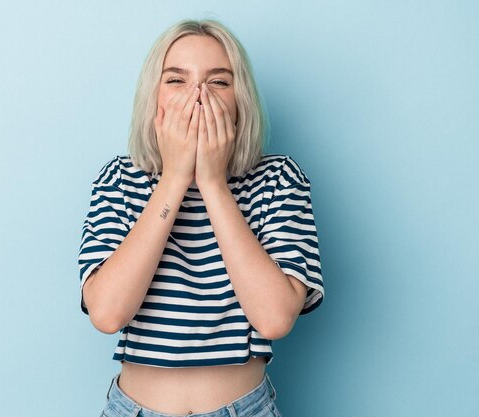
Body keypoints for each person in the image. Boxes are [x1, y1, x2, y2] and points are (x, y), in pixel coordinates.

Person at [78, 18, 324, 417]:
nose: (198, 96)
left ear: (240, 100)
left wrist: (212, 183)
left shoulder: (279, 179)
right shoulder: (118, 179)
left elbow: (275, 318)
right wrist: (174, 177)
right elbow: (107, 313)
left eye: (219, 82)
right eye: (177, 80)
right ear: (153, 97)